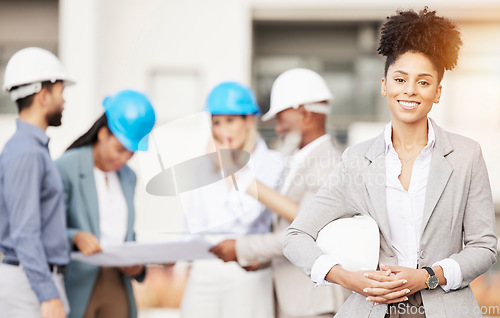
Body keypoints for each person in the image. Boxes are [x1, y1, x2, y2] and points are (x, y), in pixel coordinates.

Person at [283, 8, 498, 318]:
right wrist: (350, 279)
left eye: (423, 83)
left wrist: (427, 276)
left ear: (437, 92)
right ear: (384, 85)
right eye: (400, 79)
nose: (409, 90)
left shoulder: (466, 155)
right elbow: (296, 237)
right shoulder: (357, 160)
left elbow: (484, 247)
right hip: (372, 308)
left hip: (446, 309)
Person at [211, 69, 350, 318]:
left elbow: (306, 232)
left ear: (305, 114)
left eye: (282, 119)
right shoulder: (298, 161)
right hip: (294, 300)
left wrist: (242, 248)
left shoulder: (327, 163)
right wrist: (260, 260)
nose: (277, 128)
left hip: (313, 303)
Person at [180, 81, 284, 318]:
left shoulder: (272, 163)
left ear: (249, 121)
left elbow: (248, 215)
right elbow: (193, 223)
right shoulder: (204, 166)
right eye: (216, 122)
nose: (222, 130)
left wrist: (229, 169)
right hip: (204, 269)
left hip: (246, 270)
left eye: (230, 120)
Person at [55, 90, 155, 318]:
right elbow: (45, 227)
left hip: (117, 281)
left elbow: (127, 234)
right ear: (102, 134)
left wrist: (138, 265)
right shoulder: (65, 167)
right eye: (120, 149)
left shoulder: (128, 177)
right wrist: (76, 237)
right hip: (77, 280)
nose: (124, 159)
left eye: (131, 153)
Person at [0, 47, 75, 318]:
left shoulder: (32, 149)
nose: (64, 101)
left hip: (33, 280)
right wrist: (48, 294)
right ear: (43, 96)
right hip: (29, 286)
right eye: (60, 93)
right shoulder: (26, 152)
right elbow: (24, 232)